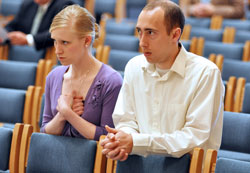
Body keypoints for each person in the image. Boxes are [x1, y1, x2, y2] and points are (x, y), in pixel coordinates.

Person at [100, 0, 224, 161]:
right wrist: (122, 141)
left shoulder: (206, 73)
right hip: (139, 164)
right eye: (139, 31)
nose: (142, 42)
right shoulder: (134, 66)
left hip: (186, 167)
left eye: (151, 33)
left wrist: (136, 142)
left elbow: (193, 138)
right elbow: (125, 120)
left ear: (175, 35)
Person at [40, 5, 123, 141]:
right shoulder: (53, 77)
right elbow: (44, 131)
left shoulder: (111, 81)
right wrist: (61, 116)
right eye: (55, 41)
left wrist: (68, 113)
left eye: (65, 42)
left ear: (86, 40)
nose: (57, 50)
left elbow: (108, 136)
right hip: (53, 159)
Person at [3, 0, 74, 50]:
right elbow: (13, 25)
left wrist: (28, 39)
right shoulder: (28, 3)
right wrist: (5, 35)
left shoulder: (65, 4)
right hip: (22, 50)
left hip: (46, 52)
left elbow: (59, 32)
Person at [179, 0, 245, 19]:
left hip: (222, 27)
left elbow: (239, 10)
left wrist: (214, 10)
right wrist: (192, 9)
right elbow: (183, 6)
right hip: (196, 22)